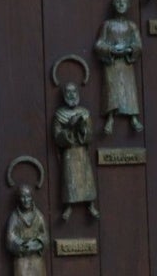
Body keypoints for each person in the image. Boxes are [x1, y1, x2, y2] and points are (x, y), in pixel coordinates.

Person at [93, 0, 143, 135]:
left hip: (126, 63)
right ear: (114, 5)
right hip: (112, 63)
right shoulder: (107, 25)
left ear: (128, 5)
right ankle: (110, 118)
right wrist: (111, 50)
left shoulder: (131, 26)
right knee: (111, 90)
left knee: (129, 89)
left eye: (124, 2)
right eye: (118, 2)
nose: (121, 4)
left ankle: (133, 117)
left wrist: (129, 49)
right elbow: (99, 44)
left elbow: (138, 45)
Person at [52, 83, 99, 221]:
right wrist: (69, 127)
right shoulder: (59, 114)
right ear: (64, 95)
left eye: (74, 91)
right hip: (69, 151)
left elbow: (90, 134)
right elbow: (57, 136)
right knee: (69, 179)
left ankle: (90, 204)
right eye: (68, 92)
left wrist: (82, 128)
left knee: (86, 178)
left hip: (82, 151)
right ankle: (68, 206)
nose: (72, 95)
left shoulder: (84, 112)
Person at [4, 184, 47, 276]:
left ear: (32, 198)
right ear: (19, 199)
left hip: (36, 259)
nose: (25, 200)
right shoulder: (14, 217)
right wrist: (23, 245)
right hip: (21, 260)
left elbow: (45, 237)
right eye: (22, 197)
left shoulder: (39, 216)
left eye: (28, 197)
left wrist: (36, 244)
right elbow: (10, 239)